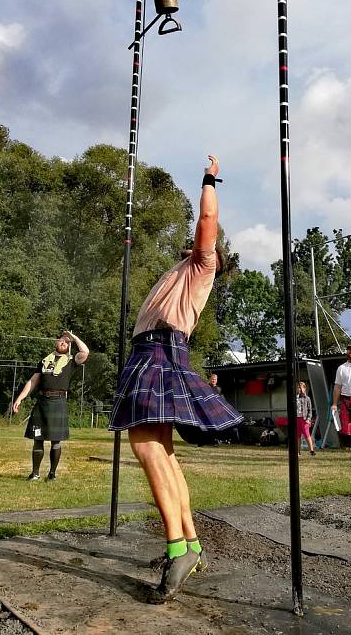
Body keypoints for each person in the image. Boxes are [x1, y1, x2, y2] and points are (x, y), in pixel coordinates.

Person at [109, 155, 243, 604]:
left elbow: (208, 218)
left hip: (161, 350)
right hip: (150, 350)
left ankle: (176, 549)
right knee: (162, 450)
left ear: (213, 260)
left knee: (146, 448)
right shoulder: (178, 271)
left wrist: (208, 179)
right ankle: (191, 545)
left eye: (207, 247)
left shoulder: (202, 267)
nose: (199, 244)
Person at [13, 331, 89, 481]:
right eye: (61, 340)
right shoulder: (44, 361)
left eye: (67, 342)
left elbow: (85, 352)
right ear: (56, 342)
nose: (63, 343)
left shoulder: (71, 361)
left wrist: (74, 338)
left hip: (58, 402)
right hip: (42, 402)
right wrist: (20, 398)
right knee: (37, 439)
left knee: (56, 441)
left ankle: (52, 474)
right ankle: (35, 473)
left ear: (69, 346)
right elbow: (33, 381)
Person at [296, 381, 315, 456]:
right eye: (298, 388)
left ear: (304, 389)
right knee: (297, 436)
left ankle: (312, 451)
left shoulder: (307, 398)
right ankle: (298, 451)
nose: (299, 389)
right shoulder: (295, 397)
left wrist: (308, 419)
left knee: (307, 435)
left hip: (304, 419)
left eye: (301, 388)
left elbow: (310, 410)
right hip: (297, 419)